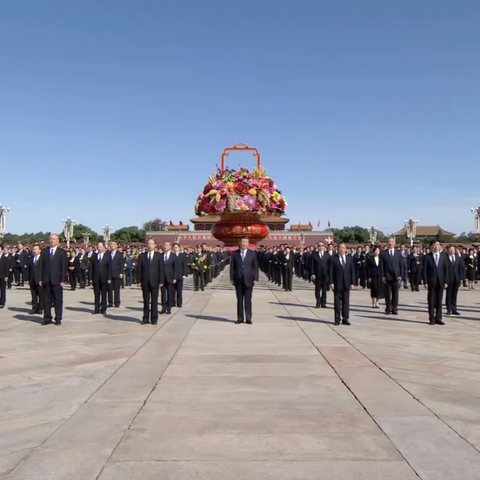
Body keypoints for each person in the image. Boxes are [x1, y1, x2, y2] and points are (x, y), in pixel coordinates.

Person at [40, 234, 68, 326]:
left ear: (57, 241)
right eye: (50, 239)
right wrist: (40, 278)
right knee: (46, 300)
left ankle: (58, 318)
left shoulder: (62, 252)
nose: (52, 240)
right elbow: (41, 266)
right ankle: (47, 317)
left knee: (58, 300)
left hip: (57, 280)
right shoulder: (44, 251)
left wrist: (63, 280)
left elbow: (64, 267)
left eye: (54, 239)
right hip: (46, 279)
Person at [230, 237, 259, 324]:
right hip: (238, 280)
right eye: (243, 242)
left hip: (249, 280)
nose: (244, 244)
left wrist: (256, 278)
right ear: (240, 243)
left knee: (248, 300)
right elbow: (232, 267)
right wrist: (231, 278)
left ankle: (248, 318)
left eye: (246, 242)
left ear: (248, 243)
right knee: (239, 300)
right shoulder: (235, 254)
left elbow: (255, 267)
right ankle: (240, 318)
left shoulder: (252, 254)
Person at [137, 238, 164, 325]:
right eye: (148, 244)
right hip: (145, 281)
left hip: (155, 281)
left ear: (155, 245)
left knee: (154, 301)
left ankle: (154, 318)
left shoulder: (159, 256)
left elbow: (161, 269)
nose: (150, 245)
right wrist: (139, 280)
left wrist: (161, 281)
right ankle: (145, 318)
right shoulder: (142, 256)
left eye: (152, 244)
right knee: (146, 301)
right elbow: (139, 269)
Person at [329, 242, 355, 325]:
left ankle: (345, 319)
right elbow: (330, 272)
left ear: (346, 249)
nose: (342, 249)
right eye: (340, 247)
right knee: (337, 303)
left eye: (343, 248)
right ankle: (337, 319)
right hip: (337, 284)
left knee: (346, 302)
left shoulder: (350, 258)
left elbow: (353, 271)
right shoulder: (333, 258)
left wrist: (353, 282)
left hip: (347, 284)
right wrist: (331, 282)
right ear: (337, 249)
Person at [424, 241, 449, 325]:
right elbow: (424, 271)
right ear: (431, 246)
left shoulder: (444, 256)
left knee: (439, 300)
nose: (436, 246)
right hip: (431, 281)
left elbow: (446, 270)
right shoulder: (427, 257)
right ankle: (431, 318)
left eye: (437, 245)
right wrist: (425, 281)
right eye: (434, 245)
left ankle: (438, 318)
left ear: (440, 246)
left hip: (441, 281)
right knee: (431, 301)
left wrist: (446, 281)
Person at [380, 237, 404, 315]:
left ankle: (394, 308)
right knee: (387, 294)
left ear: (394, 243)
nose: (390, 243)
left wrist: (401, 275)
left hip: (396, 277)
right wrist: (382, 275)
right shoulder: (383, 253)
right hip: (387, 277)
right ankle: (387, 308)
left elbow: (401, 265)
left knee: (395, 294)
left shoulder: (398, 253)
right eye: (389, 241)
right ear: (387, 243)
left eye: (392, 241)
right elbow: (381, 266)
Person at [91, 241, 112, 315]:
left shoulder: (107, 256)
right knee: (96, 295)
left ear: (103, 247)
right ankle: (96, 309)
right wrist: (91, 278)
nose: (99, 248)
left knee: (104, 295)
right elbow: (91, 268)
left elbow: (109, 268)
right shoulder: (94, 256)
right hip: (96, 278)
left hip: (104, 278)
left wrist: (109, 278)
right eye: (98, 247)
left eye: (100, 247)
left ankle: (103, 309)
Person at [311, 242, 329, 308]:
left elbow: (329, 265)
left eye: (322, 245)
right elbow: (312, 265)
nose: (321, 247)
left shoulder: (327, 255)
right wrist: (312, 274)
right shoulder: (314, 255)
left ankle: (323, 303)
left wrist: (329, 275)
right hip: (317, 275)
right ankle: (318, 303)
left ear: (324, 246)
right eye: (319, 246)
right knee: (317, 290)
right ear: (317, 247)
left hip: (325, 275)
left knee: (324, 290)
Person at [161, 242, 177, 314]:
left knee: (170, 294)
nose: (165, 246)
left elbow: (176, 268)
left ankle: (169, 308)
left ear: (170, 247)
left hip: (170, 278)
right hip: (162, 278)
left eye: (166, 245)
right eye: (164, 245)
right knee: (163, 294)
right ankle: (163, 308)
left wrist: (175, 277)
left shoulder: (173, 256)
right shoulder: (160, 256)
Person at [446, 245, 462, 316]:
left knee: (454, 295)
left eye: (453, 249)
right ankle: (449, 309)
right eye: (450, 249)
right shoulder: (445, 258)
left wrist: (461, 278)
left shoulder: (457, 258)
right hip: (448, 279)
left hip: (456, 279)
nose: (452, 251)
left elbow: (460, 269)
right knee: (449, 294)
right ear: (448, 250)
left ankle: (454, 309)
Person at [108, 241, 124, 308]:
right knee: (109, 289)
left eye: (113, 244)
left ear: (116, 246)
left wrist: (121, 273)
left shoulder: (120, 254)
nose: (112, 246)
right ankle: (110, 302)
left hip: (117, 273)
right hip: (109, 274)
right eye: (111, 244)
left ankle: (117, 302)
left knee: (117, 289)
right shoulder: (107, 254)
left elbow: (121, 264)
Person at [29, 244, 43, 315]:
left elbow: (44, 270)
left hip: (39, 280)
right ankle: (34, 308)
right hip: (32, 279)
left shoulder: (42, 259)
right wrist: (28, 279)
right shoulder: (31, 258)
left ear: (40, 250)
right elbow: (29, 269)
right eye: (33, 249)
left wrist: (42, 279)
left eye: (36, 249)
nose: (34, 250)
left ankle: (40, 308)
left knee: (41, 295)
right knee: (33, 295)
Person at [173, 243, 187, 307]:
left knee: (179, 290)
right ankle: (172, 302)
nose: (175, 248)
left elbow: (184, 265)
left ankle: (179, 303)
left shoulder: (182, 255)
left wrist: (184, 274)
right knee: (172, 290)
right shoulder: (171, 255)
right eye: (174, 247)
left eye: (176, 247)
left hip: (180, 275)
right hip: (172, 276)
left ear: (179, 248)